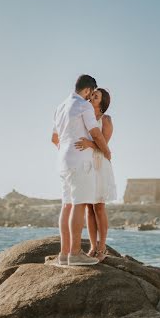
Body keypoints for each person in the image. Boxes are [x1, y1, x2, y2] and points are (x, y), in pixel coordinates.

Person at [52, 75, 111, 266]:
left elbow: (54, 138)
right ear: (87, 90)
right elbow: (95, 133)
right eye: (90, 94)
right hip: (80, 161)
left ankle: (64, 254)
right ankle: (75, 253)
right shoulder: (83, 105)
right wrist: (107, 152)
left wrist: (66, 148)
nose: (90, 97)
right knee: (79, 204)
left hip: (63, 161)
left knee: (66, 205)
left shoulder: (60, 106)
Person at [75, 88, 117, 261]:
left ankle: (102, 247)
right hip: (85, 165)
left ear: (102, 101)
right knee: (88, 207)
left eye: (96, 96)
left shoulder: (106, 119)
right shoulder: (84, 116)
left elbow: (104, 144)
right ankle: (92, 246)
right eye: (92, 95)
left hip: (100, 164)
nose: (92, 97)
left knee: (99, 206)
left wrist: (89, 144)